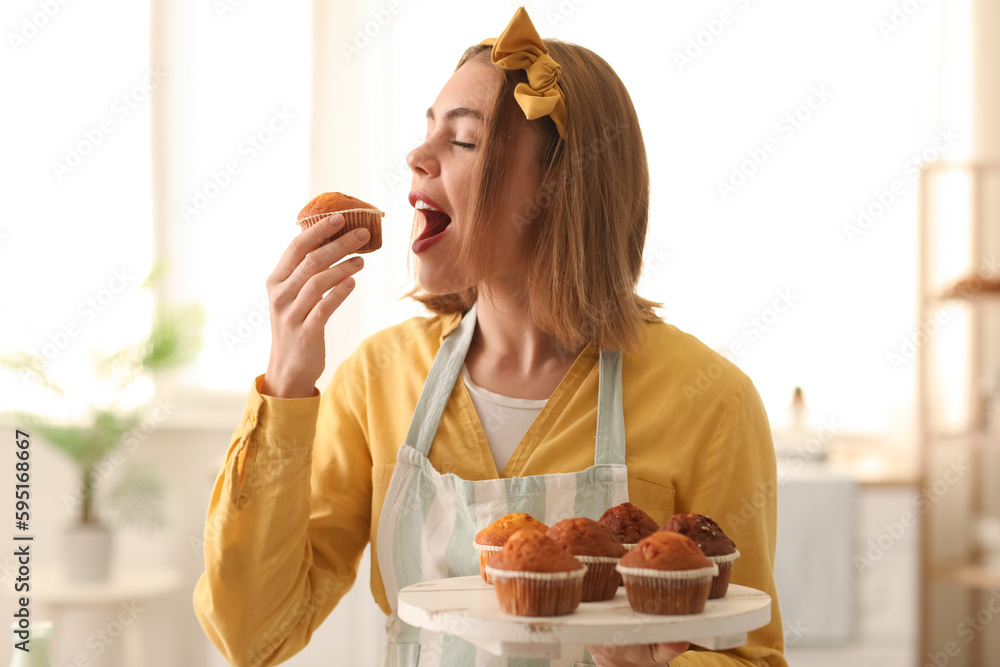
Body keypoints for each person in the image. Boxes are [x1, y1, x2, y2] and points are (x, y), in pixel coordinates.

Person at [193, 7, 788, 667]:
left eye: (465, 141)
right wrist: (286, 380)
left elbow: (750, 655)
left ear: (561, 185)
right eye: (426, 134)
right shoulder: (377, 379)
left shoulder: (711, 401)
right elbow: (253, 633)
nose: (417, 158)